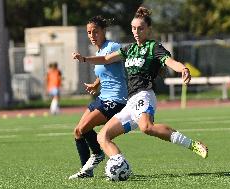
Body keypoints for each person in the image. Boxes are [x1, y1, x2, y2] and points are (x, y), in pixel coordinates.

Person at [72, 7, 208, 175]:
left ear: (148, 29)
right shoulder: (129, 49)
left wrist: (183, 69)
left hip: (145, 94)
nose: (136, 32)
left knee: (146, 127)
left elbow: (170, 62)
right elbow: (106, 59)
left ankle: (193, 145)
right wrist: (85, 59)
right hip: (130, 102)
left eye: (140, 28)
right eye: (133, 28)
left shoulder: (153, 47)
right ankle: (119, 164)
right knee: (102, 137)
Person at [68, 16, 128, 179]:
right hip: (103, 98)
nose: (92, 35)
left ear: (103, 32)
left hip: (116, 100)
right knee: (78, 132)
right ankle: (87, 171)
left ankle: (97, 154)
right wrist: (96, 84)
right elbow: (106, 71)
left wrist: (85, 59)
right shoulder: (99, 50)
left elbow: (106, 60)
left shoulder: (113, 46)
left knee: (83, 128)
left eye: (95, 31)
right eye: (89, 32)